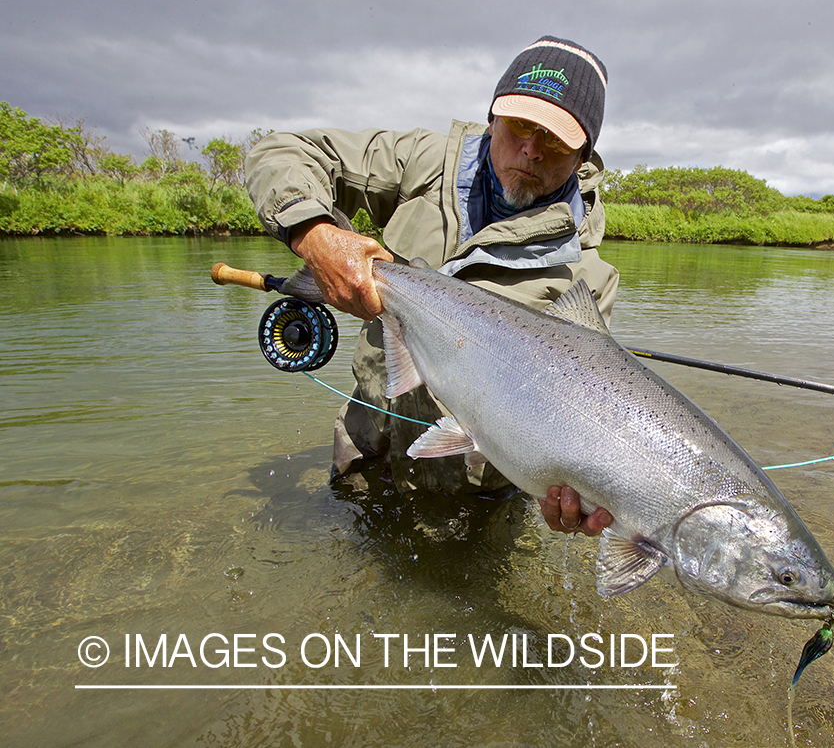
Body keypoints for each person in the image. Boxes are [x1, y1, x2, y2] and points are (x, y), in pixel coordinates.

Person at [246, 36, 615, 536]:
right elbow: (283, 151)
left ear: (583, 155)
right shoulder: (422, 161)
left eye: (554, 139)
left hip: (479, 496)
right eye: (520, 125)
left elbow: (571, 435)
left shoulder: (588, 279)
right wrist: (315, 234)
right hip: (369, 449)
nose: (530, 149)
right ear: (492, 118)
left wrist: (572, 493)